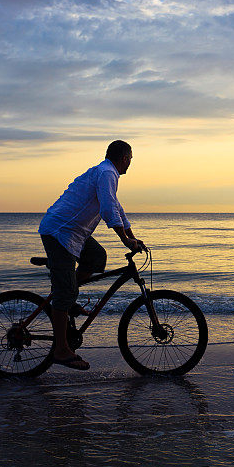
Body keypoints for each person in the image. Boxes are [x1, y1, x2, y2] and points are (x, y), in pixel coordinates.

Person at [38, 140, 143, 370]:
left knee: (96, 257)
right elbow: (107, 210)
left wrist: (133, 236)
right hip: (60, 232)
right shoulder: (107, 173)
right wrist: (126, 241)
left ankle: (68, 298)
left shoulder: (106, 173)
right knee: (64, 291)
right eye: (131, 159)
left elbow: (116, 208)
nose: (130, 163)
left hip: (73, 232)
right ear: (124, 158)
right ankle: (61, 349)